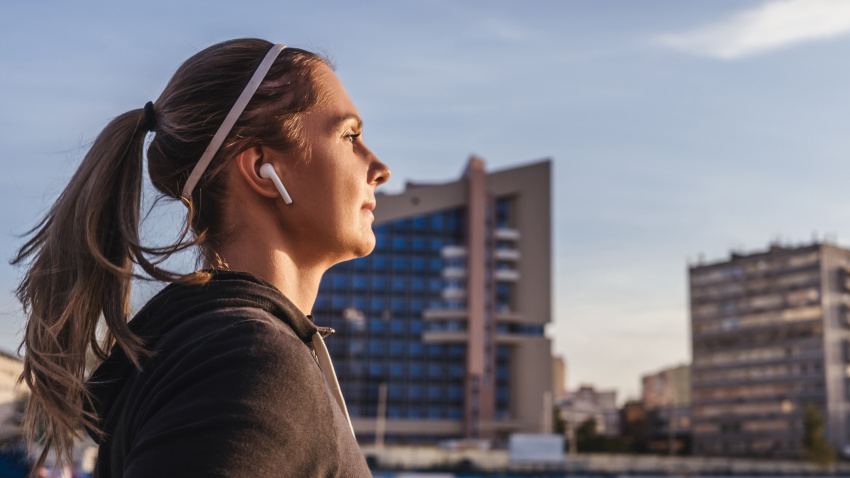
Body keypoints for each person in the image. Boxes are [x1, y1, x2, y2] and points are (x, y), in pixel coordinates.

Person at [12, 38, 390, 477]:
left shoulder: (211, 349)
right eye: (350, 135)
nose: (379, 167)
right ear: (264, 168)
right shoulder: (252, 365)